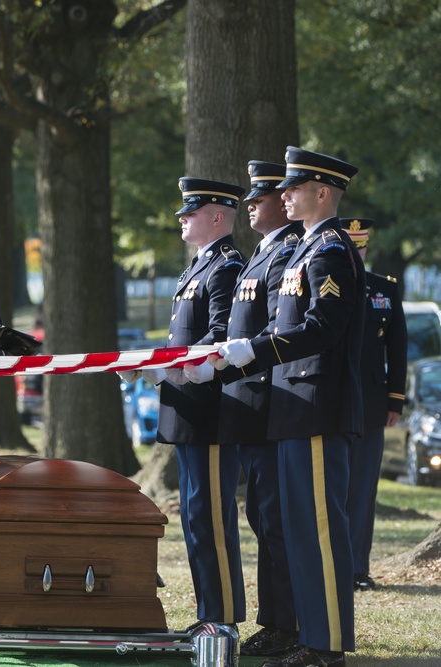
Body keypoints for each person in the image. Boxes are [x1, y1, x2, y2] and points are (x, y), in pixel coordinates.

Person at [217, 146, 362, 667]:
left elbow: (322, 329)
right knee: (300, 529)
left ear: (322, 193)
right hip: (294, 407)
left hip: (318, 405)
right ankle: (309, 633)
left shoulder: (329, 250)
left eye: (294, 188)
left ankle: (327, 644)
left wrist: (254, 351)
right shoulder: (305, 250)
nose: (284, 195)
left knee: (320, 531)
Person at [186, 162, 303, 657]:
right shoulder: (260, 255)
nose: (252, 203)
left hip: (266, 406)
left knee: (274, 520)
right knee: (263, 517)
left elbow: (277, 334)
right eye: (250, 196)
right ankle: (276, 623)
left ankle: (287, 625)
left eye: (264, 195)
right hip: (247, 406)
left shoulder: (286, 254)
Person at [123, 177, 247, 630]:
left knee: (211, 520)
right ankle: (207, 614)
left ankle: (222, 617)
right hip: (187, 407)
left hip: (210, 410)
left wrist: (165, 366)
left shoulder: (227, 267)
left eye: (190, 212)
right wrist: (151, 366)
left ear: (217, 216)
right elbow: (183, 341)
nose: (182, 218)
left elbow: (220, 335)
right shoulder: (198, 266)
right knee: (196, 520)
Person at [342, 218, 406, 593]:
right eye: (350, 246)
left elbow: (397, 349)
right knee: (333, 487)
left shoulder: (384, 289)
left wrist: (395, 398)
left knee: (363, 487)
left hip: (370, 403)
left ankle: (357, 567)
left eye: (360, 247)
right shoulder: (326, 284)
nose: (356, 253)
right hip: (333, 402)